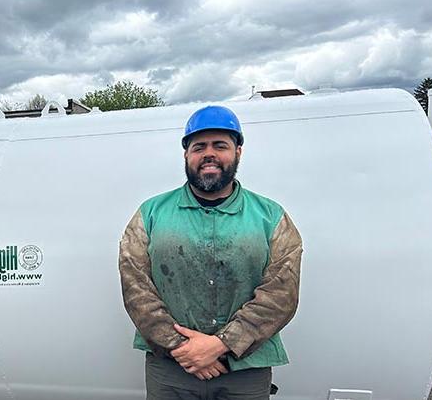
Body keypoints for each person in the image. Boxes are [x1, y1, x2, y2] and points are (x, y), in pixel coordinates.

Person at [119, 105, 303, 400]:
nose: (209, 154)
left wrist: (220, 345)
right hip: (171, 369)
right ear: (186, 155)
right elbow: (135, 287)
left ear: (238, 152)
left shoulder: (272, 217)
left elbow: (281, 294)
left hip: (245, 369)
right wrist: (181, 347)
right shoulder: (150, 214)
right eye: (199, 146)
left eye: (220, 145)